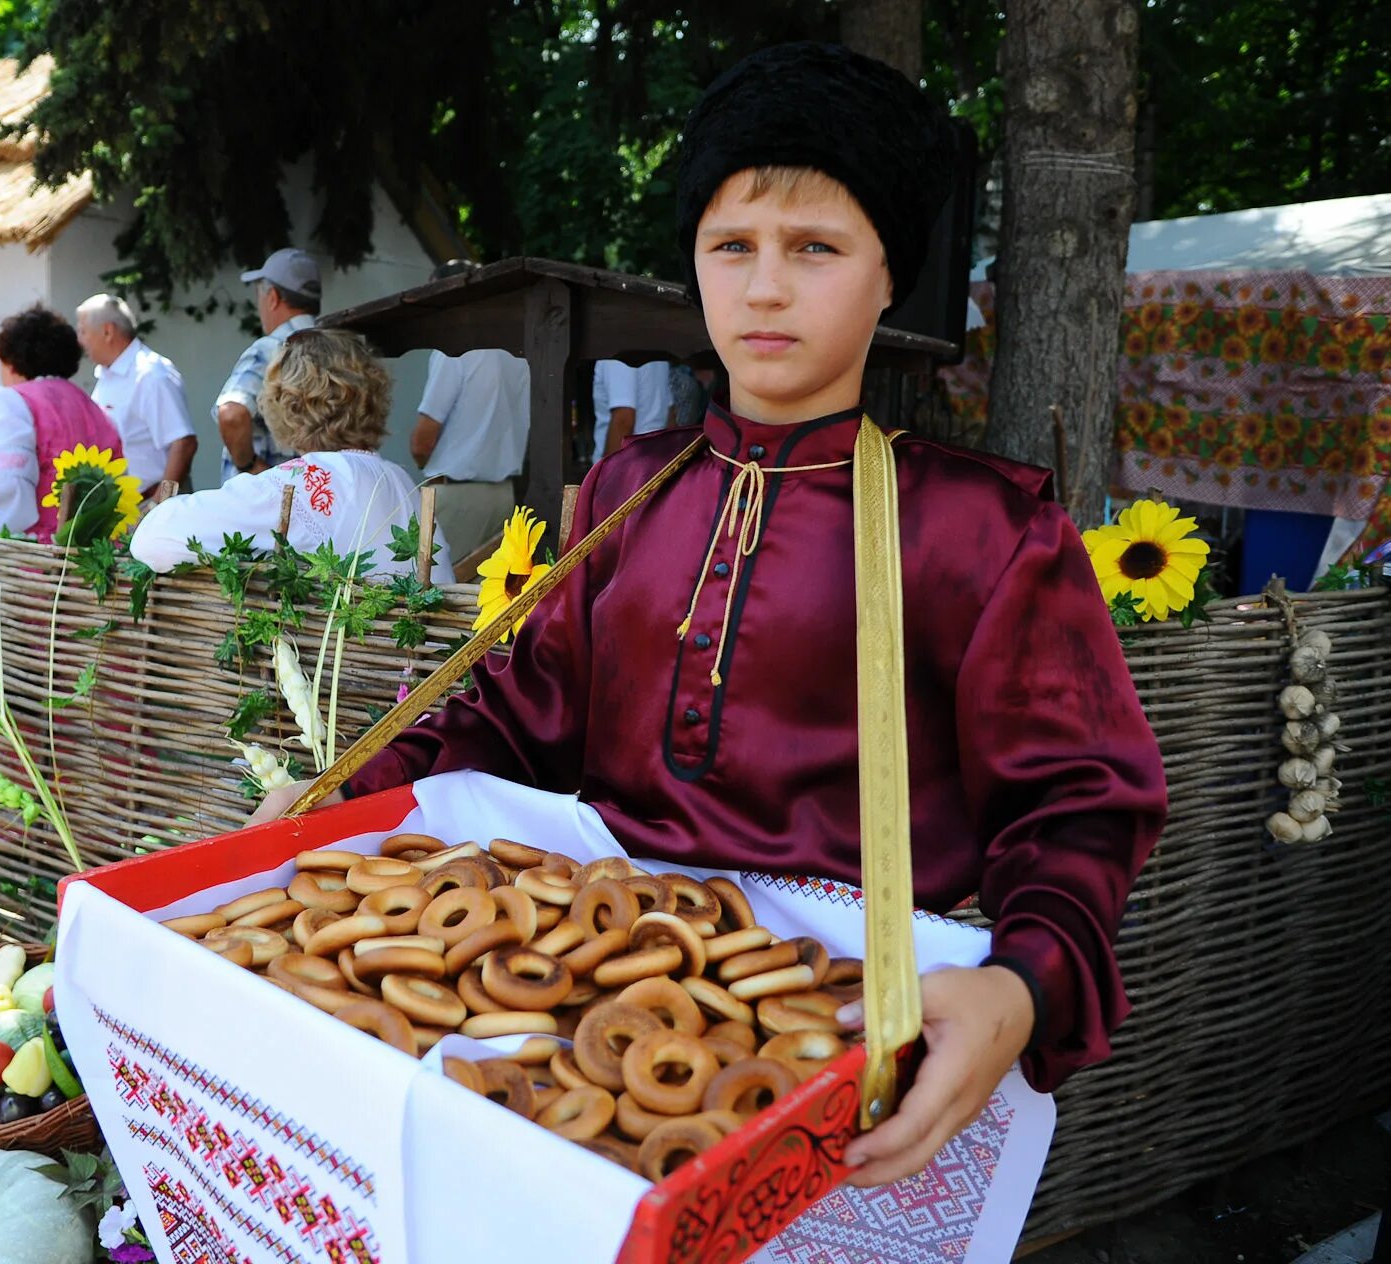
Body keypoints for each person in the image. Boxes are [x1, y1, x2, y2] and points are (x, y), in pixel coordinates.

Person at [253, 42, 1165, 1193]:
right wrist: (350, 784)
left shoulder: (981, 529)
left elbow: (1079, 800)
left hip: (843, 1039)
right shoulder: (631, 489)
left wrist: (1023, 980)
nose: (765, 287)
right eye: (730, 246)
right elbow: (511, 711)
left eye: (816, 249)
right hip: (584, 1014)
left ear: (890, 278)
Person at [134, 328, 454, 583]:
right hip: (424, 663)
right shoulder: (399, 480)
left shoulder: (302, 484)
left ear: (284, 405)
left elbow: (152, 538)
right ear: (373, 398)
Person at [0, 304, 120, 540]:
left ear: (11, 361)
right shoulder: (94, 410)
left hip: (32, 559)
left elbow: (4, 491)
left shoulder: (12, 402)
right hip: (91, 555)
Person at [409, 261, 531, 558]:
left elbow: (422, 441)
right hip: (504, 494)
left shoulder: (455, 349)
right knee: (485, 596)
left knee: (435, 592)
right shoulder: (520, 352)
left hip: (456, 494)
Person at [76, 294, 197, 503]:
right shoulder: (109, 374)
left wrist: (158, 506)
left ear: (107, 331)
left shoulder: (151, 374)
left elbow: (184, 443)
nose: (80, 340)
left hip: (151, 505)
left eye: (83, 331)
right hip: (124, 508)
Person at [215, 247, 321, 481]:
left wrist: (250, 466)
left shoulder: (272, 348)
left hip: (261, 502)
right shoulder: (334, 349)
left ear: (272, 297)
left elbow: (231, 414)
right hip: (315, 499)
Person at [591, 357, 675, 460]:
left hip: (631, 465)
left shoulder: (615, 354)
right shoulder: (658, 354)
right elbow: (670, 414)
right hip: (657, 460)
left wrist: (608, 473)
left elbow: (623, 420)